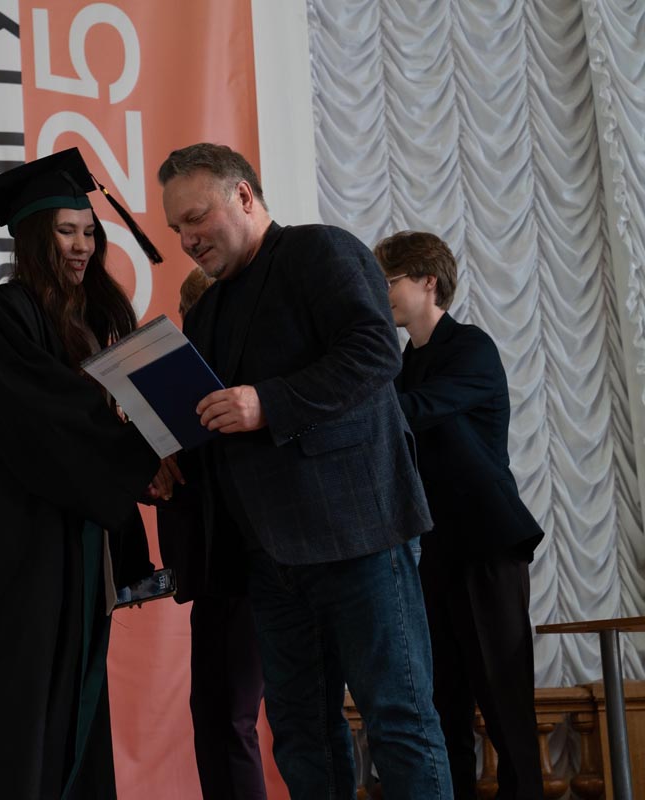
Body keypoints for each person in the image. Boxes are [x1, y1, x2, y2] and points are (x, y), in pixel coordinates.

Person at [157, 143, 451, 799]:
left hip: (360, 534)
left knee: (399, 721)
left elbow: (375, 353)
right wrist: (170, 458)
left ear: (243, 196)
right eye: (176, 228)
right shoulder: (207, 310)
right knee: (299, 735)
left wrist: (268, 402)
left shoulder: (321, 250)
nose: (187, 239)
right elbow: (213, 422)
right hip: (270, 558)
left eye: (196, 218)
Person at [0, 148, 165, 799]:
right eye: (66, 231)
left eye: (89, 232)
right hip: (18, 544)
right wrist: (140, 453)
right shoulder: (4, 311)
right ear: (33, 238)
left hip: (76, 535)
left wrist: (157, 435)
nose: (81, 246)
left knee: (78, 694)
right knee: (23, 704)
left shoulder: (95, 317)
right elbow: (44, 413)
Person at [376, 230, 545, 800]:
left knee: (503, 703)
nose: (382, 294)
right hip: (430, 551)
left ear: (428, 281)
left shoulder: (470, 347)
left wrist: (346, 400)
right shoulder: (401, 363)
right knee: (442, 704)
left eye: (388, 281)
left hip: (485, 545)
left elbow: (416, 411)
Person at [157, 267, 267, 800]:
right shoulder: (191, 393)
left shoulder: (245, 388)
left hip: (250, 570)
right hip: (211, 572)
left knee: (232, 716)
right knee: (212, 714)